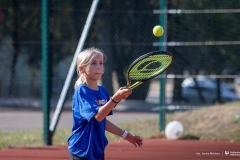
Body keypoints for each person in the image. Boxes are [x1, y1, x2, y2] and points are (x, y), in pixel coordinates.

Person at [68, 47, 143, 160]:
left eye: (101, 63)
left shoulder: (103, 91)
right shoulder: (82, 90)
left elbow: (102, 120)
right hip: (81, 150)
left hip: (98, 150)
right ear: (82, 69)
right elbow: (98, 116)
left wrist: (125, 135)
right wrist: (115, 99)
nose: (99, 66)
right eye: (93, 63)